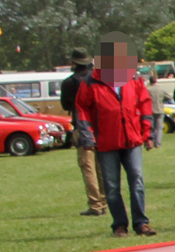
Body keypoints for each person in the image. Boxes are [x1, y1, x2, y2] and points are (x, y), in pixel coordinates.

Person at [77, 32, 158, 237]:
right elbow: (82, 110)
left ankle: (141, 223)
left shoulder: (133, 79)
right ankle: (119, 224)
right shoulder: (90, 81)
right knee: (112, 186)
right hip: (106, 141)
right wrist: (88, 137)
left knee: (137, 180)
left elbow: (145, 105)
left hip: (132, 139)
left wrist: (147, 134)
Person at [58, 48, 106, 218]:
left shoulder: (69, 83)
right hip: (101, 126)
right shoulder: (98, 79)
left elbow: (65, 105)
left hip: (81, 126)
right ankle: (105, 200)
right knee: (102, 166)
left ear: (73, 63)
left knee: (88, 167)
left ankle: (95, 204)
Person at [144, 68, 172, 147]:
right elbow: (169, 97)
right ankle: (158, 143)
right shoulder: (161, 89)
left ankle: (151, 141)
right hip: (160, 110)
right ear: (156, 81)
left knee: (151, 127)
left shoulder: (147, 89)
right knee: (159, 128)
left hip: (150, 110)